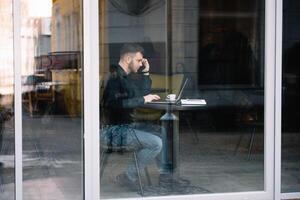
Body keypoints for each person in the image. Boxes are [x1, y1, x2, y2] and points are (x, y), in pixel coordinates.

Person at [101, 43, 168, 190]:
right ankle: (127, 177)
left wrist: (145, 73)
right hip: (113, 131)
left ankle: (166, 178)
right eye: (138, 60)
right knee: (156, 143)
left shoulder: (124, 77)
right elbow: (115, 104)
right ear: (127, 58)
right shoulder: (114, 78)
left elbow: (140, 94)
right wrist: (143, 100)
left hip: (126, 126)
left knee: (162, 133)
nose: (140, 64)